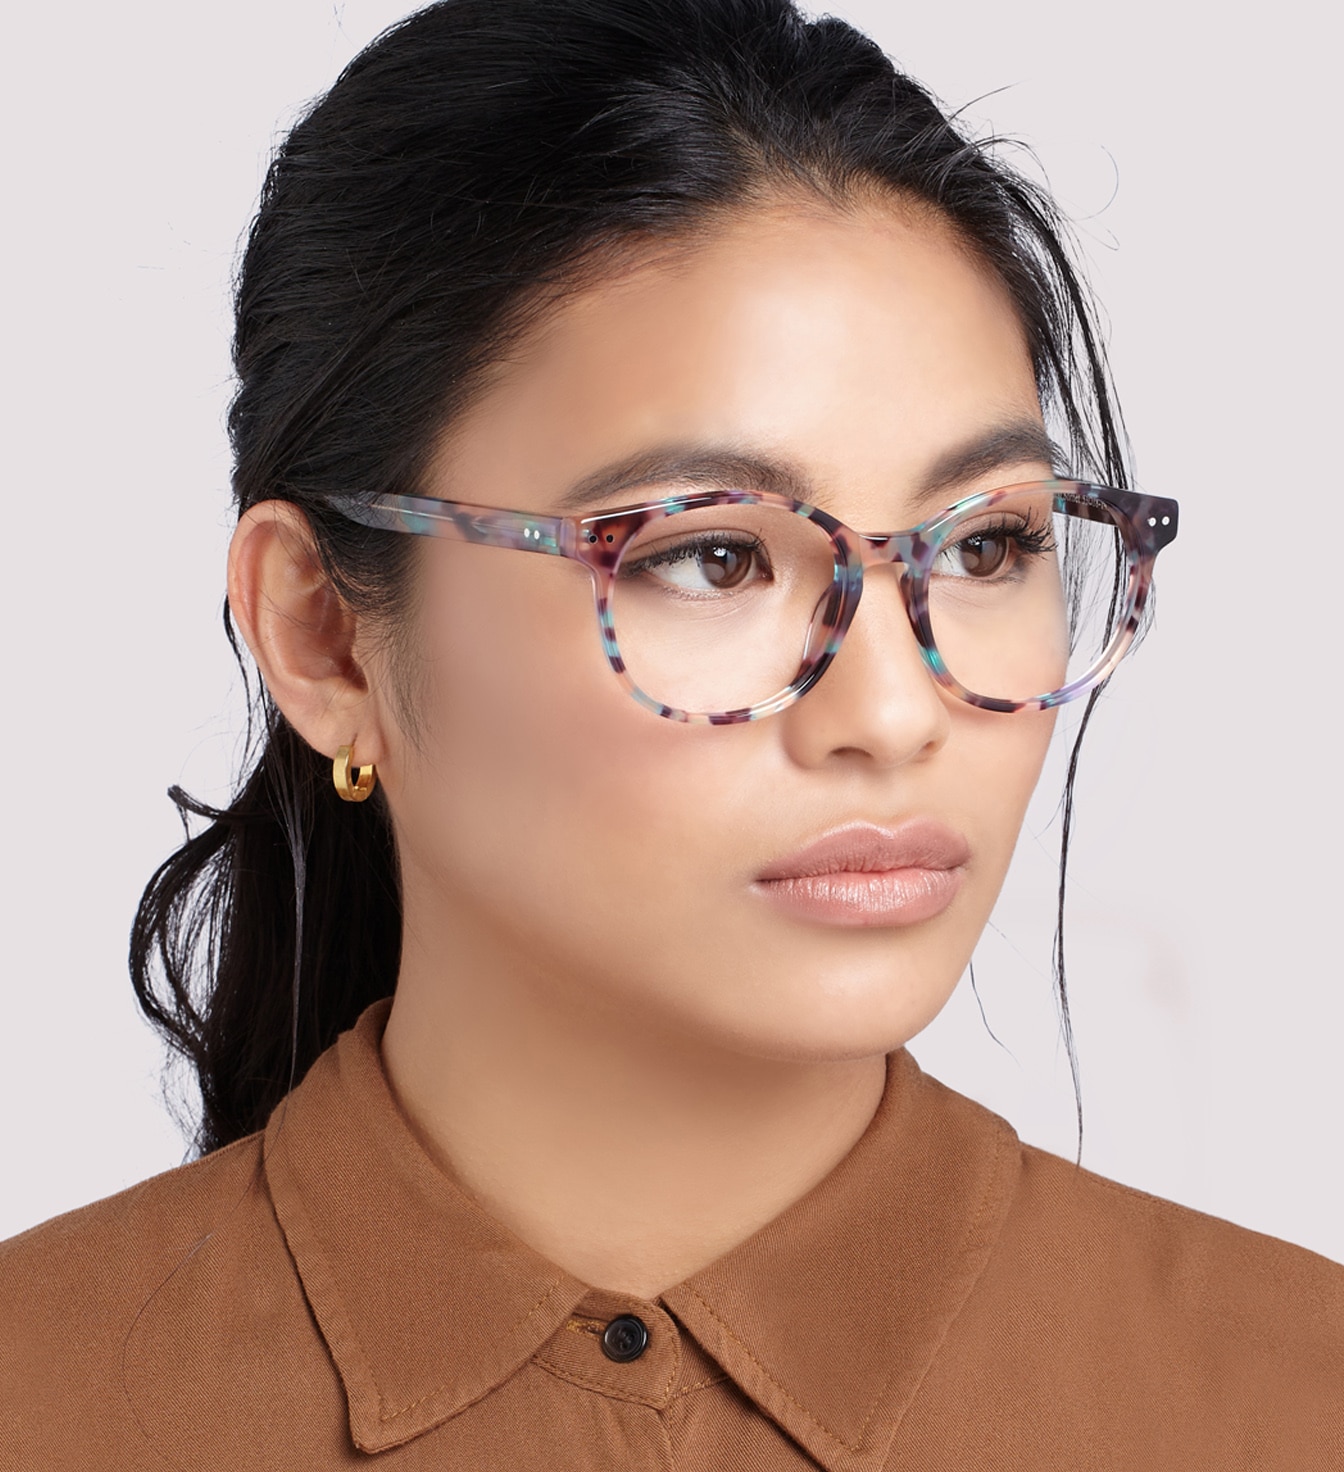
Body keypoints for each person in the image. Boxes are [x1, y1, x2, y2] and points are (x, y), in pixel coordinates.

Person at [1, 0, 1339, 1466]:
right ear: (322, 635)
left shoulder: (1288, 1395)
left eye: (985, 546)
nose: (893, 714)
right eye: (713, 555)